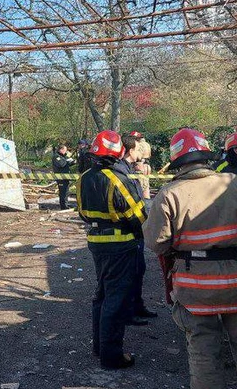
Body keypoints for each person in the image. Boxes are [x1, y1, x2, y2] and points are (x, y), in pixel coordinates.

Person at [144, 128, 237, 389]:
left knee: (204, 354)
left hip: (196, 288)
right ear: (206, 155)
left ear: (176, 160)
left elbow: (156, 244)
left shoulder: (169, 194)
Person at [77, 130, 147, 369]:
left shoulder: (84, 177)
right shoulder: (119, 179)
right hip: (121, 244)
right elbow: (137, 216)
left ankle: (99, 347)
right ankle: (112, 356)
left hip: (96, 243)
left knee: (102, 295)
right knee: (115, 300)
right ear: (118, 153)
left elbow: (83, 214)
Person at [119, 133, 157, 325]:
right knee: (130, 272)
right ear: (130, 150)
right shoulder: (122, 171)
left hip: (136, 230)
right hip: (130, 232)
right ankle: (129, 312)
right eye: (136, 148)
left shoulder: (130, 168)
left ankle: (137, 306)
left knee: (138, 270)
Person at [52, 143, 76, 210]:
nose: (66, 151)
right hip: (61, 177)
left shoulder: (63, 157)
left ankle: (66, 205)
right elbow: (61, 164)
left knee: (66, 192)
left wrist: (72, 161)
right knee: (63, 192)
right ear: (61, 149)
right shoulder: (56, 156)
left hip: (65, 177)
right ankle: (63, 206)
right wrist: (67, 160)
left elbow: (67, 163)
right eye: (65, 150)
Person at [130, 131, 152, 199]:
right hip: (147, 166)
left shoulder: (138, 145)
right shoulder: (147, 144)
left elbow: (138, 157)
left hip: (139, 166)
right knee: (146, 187)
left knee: (139, 189)